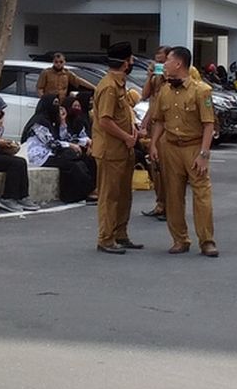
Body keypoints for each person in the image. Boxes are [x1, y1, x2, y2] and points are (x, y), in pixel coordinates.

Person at [149, 46, 219, 257]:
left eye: (168, 61)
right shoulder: (164, 91)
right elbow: (160, 121)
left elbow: (209, 125)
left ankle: (206, 240)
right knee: (173, 195)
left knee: (202, 195)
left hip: (193, 147)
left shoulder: (201, 90)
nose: (165, 65)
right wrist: (153, 144)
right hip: (171, 147)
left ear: (178, 64)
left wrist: (204, 154)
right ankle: (180, 239)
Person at [91, 42, 142, 255]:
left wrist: (134, 132)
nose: (132, 63)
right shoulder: (109, 87)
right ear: (124, 63)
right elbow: (105, 121)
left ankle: (120, 234)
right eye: (130, 60)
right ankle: (106, 238)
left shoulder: (119, 85)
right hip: (110, 151)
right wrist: (127, 137)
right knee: (109, 196)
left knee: (123, 195)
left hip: (123, 150)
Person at [23, 94, 95, 203]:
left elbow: (64, 138)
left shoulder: (51, 121)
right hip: (41, 157)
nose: (57, 107)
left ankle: (89, 190)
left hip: (52, 153)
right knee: (72, 165)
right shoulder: (38, 123)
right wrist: (70, 145)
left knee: (83, 160)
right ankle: (75, 195)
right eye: (55, 103)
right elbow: (52, 143)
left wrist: (62, 122)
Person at [138, 45, 170, 219]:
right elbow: (146, 96)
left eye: (162, 57)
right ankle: (160, 203)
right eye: (156, 56)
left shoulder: (171, 78)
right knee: (155, 166)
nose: (158, 59)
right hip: (154, 122)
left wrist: (166, 76)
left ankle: (169, 205)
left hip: (166, 125)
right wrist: (150, 76)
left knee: (166, 167)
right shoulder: (155, 76)